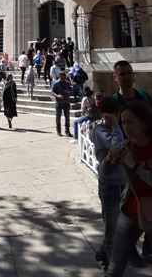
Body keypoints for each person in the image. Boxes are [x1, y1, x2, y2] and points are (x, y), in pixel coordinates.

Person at [106, 102, 152, 276]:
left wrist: (135, 165)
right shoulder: (126, 146)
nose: (126, 127)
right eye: (123, 123)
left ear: (144, 123)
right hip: (131, 211)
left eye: (131, 122)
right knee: (114, 267)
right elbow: (105, 173)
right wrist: (109, 159)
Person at [91, 96, 125, 271]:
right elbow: (117, 145)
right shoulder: (100, 130)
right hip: (109, 185)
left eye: (114, 114)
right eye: (108, 114)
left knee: (120, 228)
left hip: (124, 184)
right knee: (112, 230)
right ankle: (112, 269)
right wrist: (115, 125)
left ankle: (103, 253)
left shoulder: (122, 127)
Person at [52, 70, 73, 137]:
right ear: (59, 76)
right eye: (62, 77)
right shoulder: (56, 83)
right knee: (58, 117)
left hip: (66, 102)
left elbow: (71, 90)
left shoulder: (67, 83)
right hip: (59, 102)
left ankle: (67, 131)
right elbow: (52, 92)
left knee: (67, 117)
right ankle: (58, 131)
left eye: (64, 76)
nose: (63, 78)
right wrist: (57, 96)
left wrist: (68, 92)